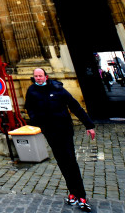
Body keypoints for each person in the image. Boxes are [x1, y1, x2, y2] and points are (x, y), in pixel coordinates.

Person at [24, 68, 95, 212]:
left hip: (64, 130)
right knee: (62, 162)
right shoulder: (31, 91)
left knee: (71, 161)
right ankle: (73, 193)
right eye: (35, 76)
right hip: (50, 132)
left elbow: (75, 106)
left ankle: (82, 195)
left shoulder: (58, 89)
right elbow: (29, 107)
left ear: (46, 76)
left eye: (40, 76)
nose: (38, 78)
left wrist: (89, 125)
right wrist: (35, 119)